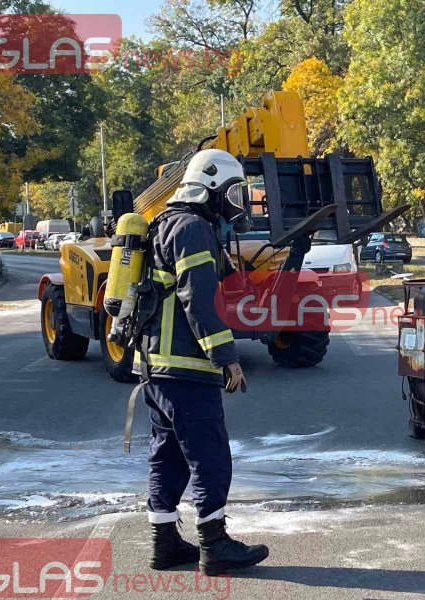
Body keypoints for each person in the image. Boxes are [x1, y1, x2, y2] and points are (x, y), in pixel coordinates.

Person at [136, 149, 268, 575]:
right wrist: (227, 358)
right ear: (211, 188)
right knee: (209, 455)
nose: (238, 203)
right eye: (233, 193)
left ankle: (165, 543)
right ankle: (215, 546)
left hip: (156, 367)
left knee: (168, 456)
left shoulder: (168, 223)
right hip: (187, 367)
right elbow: (199, 300)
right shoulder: (192, 229)